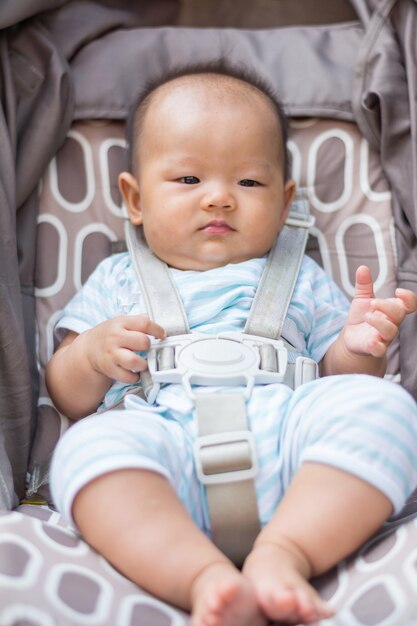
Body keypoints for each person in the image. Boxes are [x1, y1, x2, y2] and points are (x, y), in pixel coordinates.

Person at [47, 61, 417, 626]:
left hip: (294, 461)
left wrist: (361, 348)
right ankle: (202, 577)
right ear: (136, 198)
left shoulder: (303, 277)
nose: (219, 198)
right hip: (165, 456)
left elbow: (339, 381)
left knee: (388, 409)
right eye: (189, 180)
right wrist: (93, 354)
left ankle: (284, 555)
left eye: (249, 182)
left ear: (286, 199)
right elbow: (68, 395)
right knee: (85, 451)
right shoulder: (117, 278)